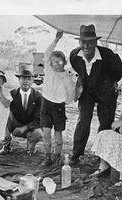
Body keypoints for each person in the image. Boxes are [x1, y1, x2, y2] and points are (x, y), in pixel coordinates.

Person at [69, 24, 122, 165]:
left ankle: (102, 155)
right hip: (86, 92)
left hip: (106, 92)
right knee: (83, 121)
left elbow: (119, 70)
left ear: (95, 42)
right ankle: (76, 153)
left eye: (90, 42)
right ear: (79, 42)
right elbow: (77, 70)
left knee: (105, 123)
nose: (86, 45)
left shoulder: (108, 55)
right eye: (83, 42)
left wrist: (110, 83)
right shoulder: (74, 55)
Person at [39, 30, 76, 166]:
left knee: (58, 136)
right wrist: (56, 40)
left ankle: (57, 157)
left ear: (64, 62)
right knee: (46, 134)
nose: (57, 64)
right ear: (51, 63)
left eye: (60, 61)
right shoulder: (48, 70)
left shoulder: (67, 76)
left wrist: (65, 101)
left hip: (58, 106)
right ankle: (47, 157)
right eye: (54, 62)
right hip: (46, 104)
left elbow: (71, 91)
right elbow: (48, 52)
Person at [0, 64, 43, 156]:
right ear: (19, 80)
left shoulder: (38, 96)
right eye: (23, 78)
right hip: (14, 126)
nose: (26, 81)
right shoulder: (11, 94)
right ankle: (6, 144)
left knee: (38, 134)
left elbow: (40, 119)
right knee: (5, 112)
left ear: (33, 80)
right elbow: (3, 113)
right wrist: (5, 129)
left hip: (30, 128)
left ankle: (31, 147)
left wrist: (25, 128)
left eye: (28, 79)